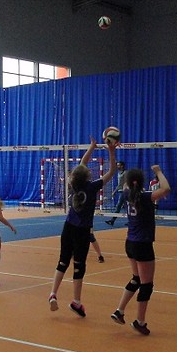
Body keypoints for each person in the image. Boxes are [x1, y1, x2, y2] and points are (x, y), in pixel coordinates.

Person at [48, 132, 118, 316]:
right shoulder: (92, 187)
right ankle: (76, 302)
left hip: (68, 227)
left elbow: (81, 164)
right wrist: (111, 151)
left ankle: (53, 293)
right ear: (88, 175)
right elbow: (112, 172)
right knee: (79, 266)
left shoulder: (73, 183)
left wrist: (92, 147)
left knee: (63, 261)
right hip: (82, 231)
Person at [110, 164, 171, 335]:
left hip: (130, 243)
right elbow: (166, 189)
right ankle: (140, 321)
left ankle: (119, 311)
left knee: (136, 278)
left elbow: (126, 184)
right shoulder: (145, 197)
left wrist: (131, 179)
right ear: (141, 182)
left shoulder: (126, 194)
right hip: (143, 244)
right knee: (147, 285)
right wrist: (158, 171)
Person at [105, 161, 126, 225]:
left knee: (119, 206)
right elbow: (119, 184)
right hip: (121, 191)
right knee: (124, 206)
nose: (117, 166)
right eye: (117, 165)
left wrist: (114, 191)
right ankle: (112, 220)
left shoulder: (125, 173)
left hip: (124, 191)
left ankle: (112, 220)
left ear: (122, 166)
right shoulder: (119, 173)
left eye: (119, 165)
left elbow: (121, 184)